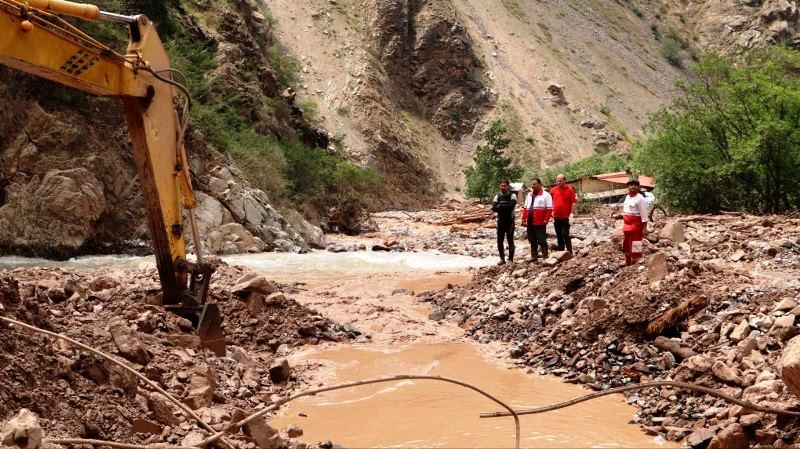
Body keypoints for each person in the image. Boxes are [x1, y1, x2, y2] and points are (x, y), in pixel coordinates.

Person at [522, 178, 552, 262]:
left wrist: (546, 220)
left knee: (542, 239)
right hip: (530, 221)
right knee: (532, 239)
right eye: (531, 184)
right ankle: (534, 256)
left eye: (534, 184)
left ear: (540, 184)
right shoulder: (529, 195)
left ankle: (545, 256)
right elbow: (525, 207)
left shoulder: (546, 195)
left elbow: (549, 209)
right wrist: (523, 218)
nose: (532, 186)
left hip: (540, 222)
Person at [621, 178, 650, 265]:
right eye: (631, 185)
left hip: (636, 226)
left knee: (636, 244)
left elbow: (644, 215)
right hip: (626, 226)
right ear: (628, 186)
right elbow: (627, 210)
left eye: (635, 185)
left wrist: (645, 229)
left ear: (638, 187)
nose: (633, 187)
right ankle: (627, 262)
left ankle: (636, 262)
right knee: (626, 244)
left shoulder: (640, 199)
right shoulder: (627, 196)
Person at [550, 174, 577, 253]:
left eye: (560, 180)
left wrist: (572, 214)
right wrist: (550, 212)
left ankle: (569, 251)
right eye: (557, 180)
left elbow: (573, 202)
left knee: (565, 234)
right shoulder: (553, 190)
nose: (558, 182)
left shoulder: (570, 190)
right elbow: (548, 200)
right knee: (559, 235)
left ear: (564, 181)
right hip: (556, 217)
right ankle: (561, 252)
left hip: (566, 217)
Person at [492, 179, 516, 265]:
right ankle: (502, 259)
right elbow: (493, 208)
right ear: (500, 186)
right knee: (499, 240)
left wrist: (500, 206)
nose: (503, 187)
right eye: (501, 185)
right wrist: (505, 206)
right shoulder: (497, 196)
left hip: (510, 222)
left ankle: (510, 260)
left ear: (508, 186)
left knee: (510, 241)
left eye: (505, 185)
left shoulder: (512, 195)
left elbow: (511, 206)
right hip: (500, 221)